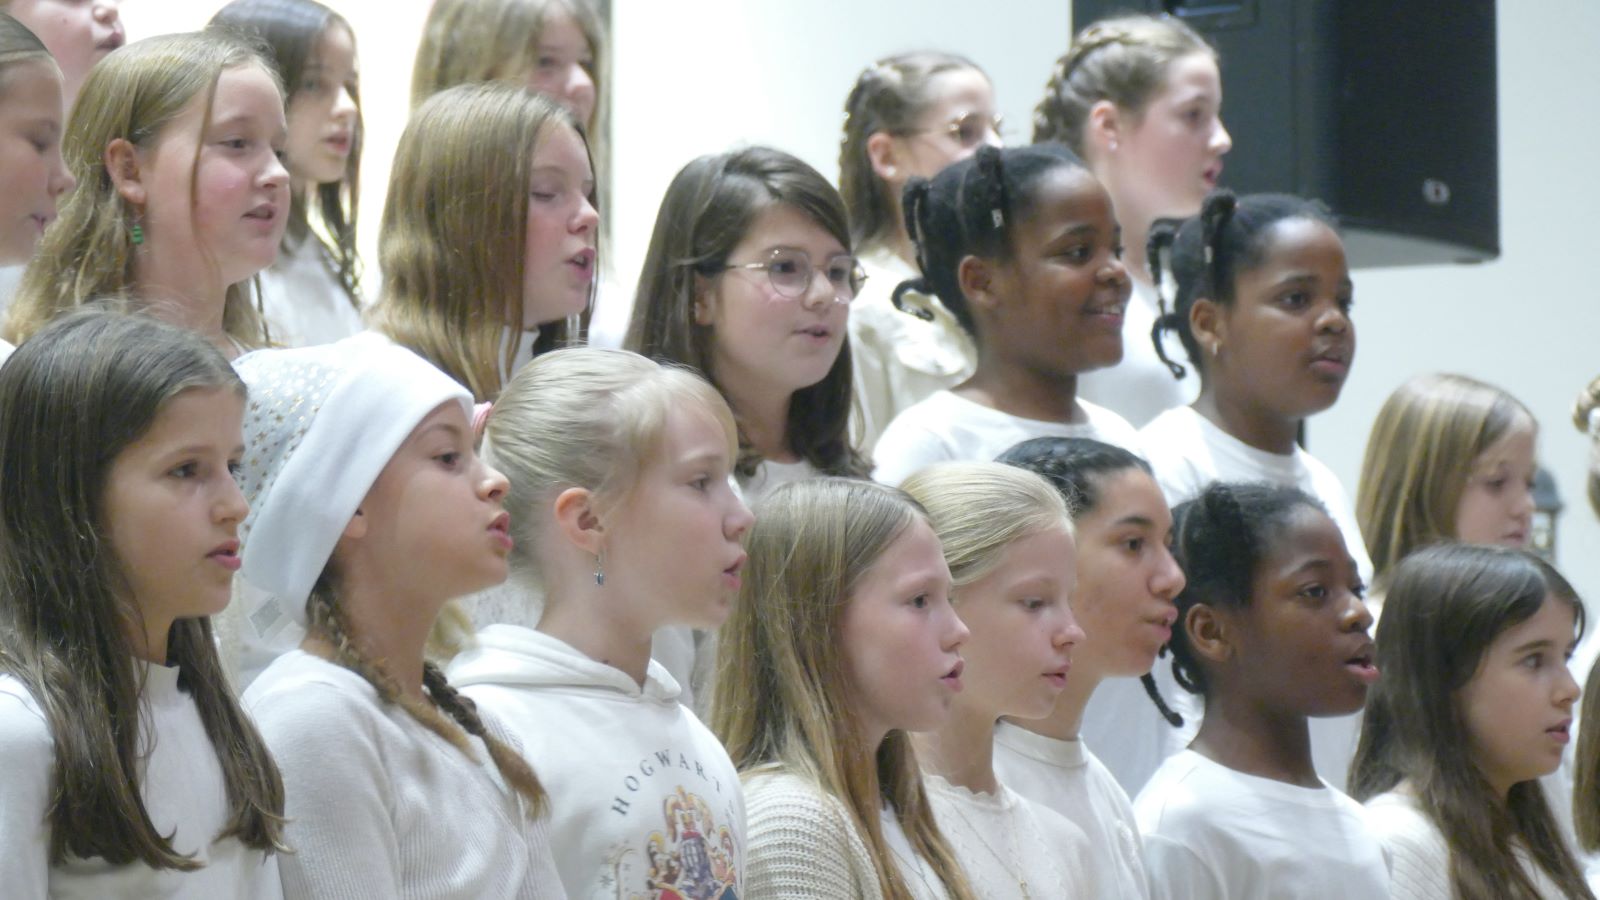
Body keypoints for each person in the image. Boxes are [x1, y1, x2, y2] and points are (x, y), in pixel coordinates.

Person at [235, 335, 563, 898]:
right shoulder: (312, 717)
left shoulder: (480, 726)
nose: (495, 481)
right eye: (448, 458)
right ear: (349, 505)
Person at [445, 348, 752, 897]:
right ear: (588, 520)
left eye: (728, 479)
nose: (741, 516)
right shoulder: (495, 737)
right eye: (701, 482)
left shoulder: (695, 739)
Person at [0, 310, 284, 897]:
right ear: (69, 495)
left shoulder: (213, 710)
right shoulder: (18, 733)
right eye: (187, 470)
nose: (236, 504)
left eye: (233, 466)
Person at [712, 478, 975, 899]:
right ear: (818, 622)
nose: (959, 631)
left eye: (950, 599)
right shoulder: (792, 824)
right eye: (920, 600)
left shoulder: (898, 807)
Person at [1135, 482, 1388, 899]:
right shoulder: (1181, 827)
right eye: (1315, 592)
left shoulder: (1360, 828)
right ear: (1212, 631)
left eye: (1356, 589)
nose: (1359, 613)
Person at [871, 142, 1140, 486]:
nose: (1116, 271)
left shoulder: (1120, 438)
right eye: (1078, 252)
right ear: (982, 282)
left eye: (1116, 250)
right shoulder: (932, 445)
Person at [6, 31, 287, 357]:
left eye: (280, 152)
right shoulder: (59, 371)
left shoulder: (282, 372)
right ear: (130, 169)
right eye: (237, 143)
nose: (278, 174)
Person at [994, 436, 1185, 897]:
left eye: (1168, 545)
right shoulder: (958, 781)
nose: (1173, 578)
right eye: (1134, 544)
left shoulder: (1105, 791)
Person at [901, 462, 1100, 898]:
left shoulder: (1065, 844)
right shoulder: (871, 829)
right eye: (1034, 602)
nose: (1072, 632)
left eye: (1069, 600)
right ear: (936, 599)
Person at [625, 146, 868, 500]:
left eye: (837, 271)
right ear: (699, 296)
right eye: (785, 267)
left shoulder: (854, 480)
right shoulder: (644, 475)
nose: (824, 294)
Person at [1353, 543, 1593, 900]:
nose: (1570, 690)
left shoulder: (1522, 834)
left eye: (1566, 657)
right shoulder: (1398, 842)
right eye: (1534, 660)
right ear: (1443, 678)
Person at [1034, 13, 1230, 426]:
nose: (1221, 139)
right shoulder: (1056, 287)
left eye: (1216, 114)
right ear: (1109, 125)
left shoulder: (1173, 286)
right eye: (1194, 115)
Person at [370, 82, 596, 400]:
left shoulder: (570, 394)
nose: (590, 215)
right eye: (546, 192)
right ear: (460, 215)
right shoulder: (384, 386)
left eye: (587, 193)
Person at [838, 51, 993, 447]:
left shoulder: (996, 289)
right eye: (965, 132)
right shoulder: (859, 304)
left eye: (997, 128)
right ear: (887, 156)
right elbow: (859, 462)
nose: (996, 148)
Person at [209, 0, 364, 347]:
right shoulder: (226, 272)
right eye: (313, 84)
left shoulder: (315, 252)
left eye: (350, 85)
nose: (347, 108)